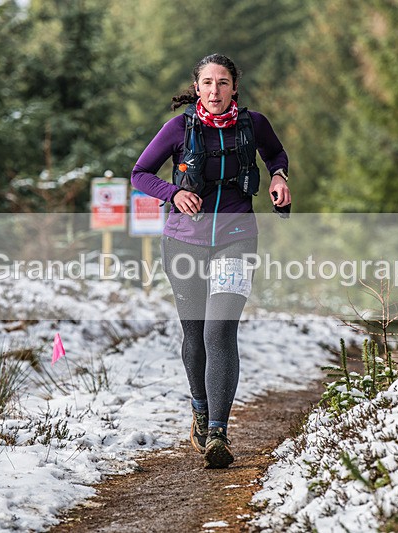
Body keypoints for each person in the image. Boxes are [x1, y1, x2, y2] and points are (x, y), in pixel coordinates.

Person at [131, 53, 291, 469]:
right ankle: (200, 409)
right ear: (197, 87)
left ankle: (218, 431)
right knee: (196, 334)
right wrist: (172, 194)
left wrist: (278, 177)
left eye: (223, 82)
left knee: (220, 331)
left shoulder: (254, 124)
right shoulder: (177, 129)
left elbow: (276, 155)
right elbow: (139, 173)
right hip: (184, 242)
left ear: (234, 87)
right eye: (207, 83)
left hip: (237, 237)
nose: (215, 90)